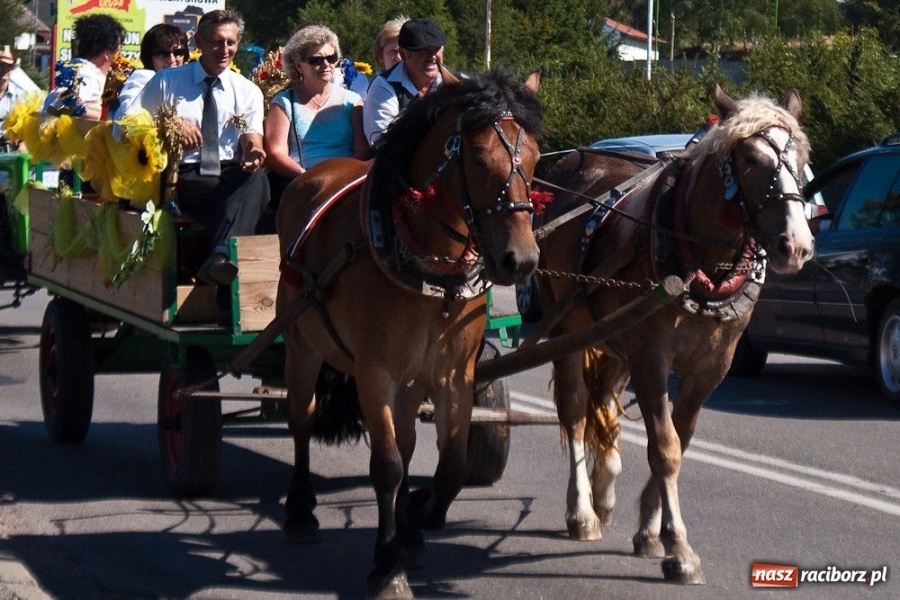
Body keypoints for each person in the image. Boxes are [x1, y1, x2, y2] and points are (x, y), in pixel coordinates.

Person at [132, 9, 269, 289]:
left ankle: (220, 260)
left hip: (229, 172)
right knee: (235, 196)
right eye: (217, 42)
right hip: (183, 175)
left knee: (258, 181)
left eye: (231, 43)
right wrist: (169, 122)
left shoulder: (247, 90)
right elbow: (127, 125)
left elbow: (251, 136)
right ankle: (221, 270)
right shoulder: (167, 82)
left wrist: (254, 152)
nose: (224, 49)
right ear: (199, 44)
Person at [263, 24, 370, 210]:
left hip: (346, 182)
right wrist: (304, 176)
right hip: (300, 182)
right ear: (298, 65)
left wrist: (340, 178)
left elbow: (362, 150)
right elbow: (275, 153)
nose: (326, 65)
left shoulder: (352, 102)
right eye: (316, 60)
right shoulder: (284, 102)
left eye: (331, 58)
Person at [362, 18, 447, 147]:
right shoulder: (383, 86)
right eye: (422, 50)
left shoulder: (458, 82)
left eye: (436, 49)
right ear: (405, 54)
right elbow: (384, 144)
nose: (432, 56)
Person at [44, 14, 125, 121]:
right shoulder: (86, 75)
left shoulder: (81, 71)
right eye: (119, 49)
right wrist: (101, 113)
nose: (121, 55)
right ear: (106, 54)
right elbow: (57, 104)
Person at [112, 24, 189, 121]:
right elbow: (128, 115)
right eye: (163, 54)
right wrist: (175, 124)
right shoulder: (143, 79)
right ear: (149, 57)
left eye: (178, 53)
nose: (172, 59)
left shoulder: (190, 80)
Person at [0, 45, 25, 152]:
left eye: (8, 66)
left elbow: (26, 128)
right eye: (1, 65)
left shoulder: (19, 97)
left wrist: (23, 144)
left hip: (9, 152)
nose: (5, 69)